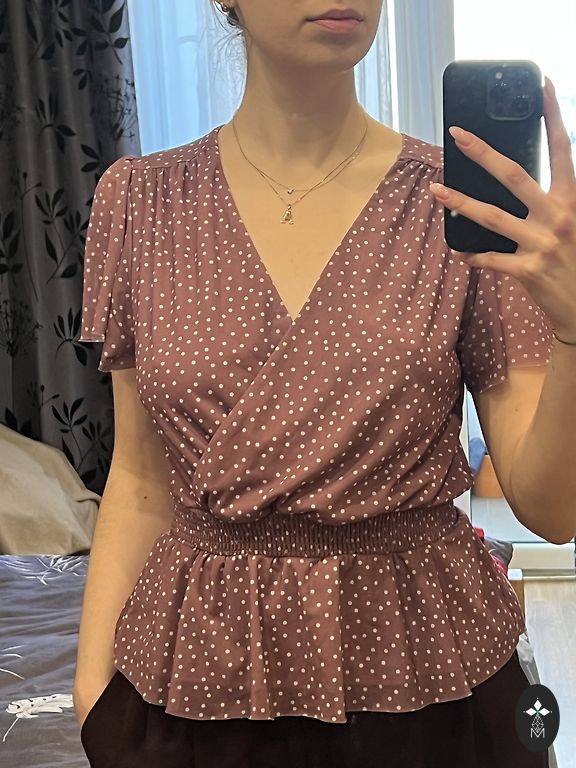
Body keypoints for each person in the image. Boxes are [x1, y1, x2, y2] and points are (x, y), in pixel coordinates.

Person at [73, 1, 576, 766]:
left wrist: (573, 331)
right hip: (205, 677)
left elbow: (553, 510)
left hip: (430, 682)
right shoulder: (143, 201)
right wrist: (93, 697)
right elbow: (141, 478)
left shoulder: (463, 206)